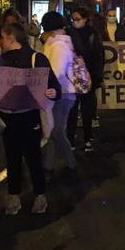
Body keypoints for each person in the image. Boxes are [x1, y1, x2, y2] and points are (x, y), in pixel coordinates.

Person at [0, 23, 61, 214]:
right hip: (7, 119)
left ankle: (40, 196)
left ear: (10, 38)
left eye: (1, 37)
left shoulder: (36, 58)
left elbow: (55, 86)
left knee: (33, 158)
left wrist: (52, 92)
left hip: (29, 117)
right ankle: (13, 197)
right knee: (12, 159)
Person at [40, 11, 78, 173]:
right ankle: (48, 166)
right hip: (60, 93)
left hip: (63, 93)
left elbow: (56, 72)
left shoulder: (58, 46)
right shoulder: (55, 45)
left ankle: (71, 163)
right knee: (54, 130)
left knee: (56, 130)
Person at [67, 7, 105, 151]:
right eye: (73, 19)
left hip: (87, 77)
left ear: (85, 19)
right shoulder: (69, 33)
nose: (75, 22)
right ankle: (71, 139)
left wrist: (96, 76)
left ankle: (87, 138)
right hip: (75, 77)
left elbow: (98, 56)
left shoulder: (92, 34)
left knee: (86, 110)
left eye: (77, 19)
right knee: (73, 110)